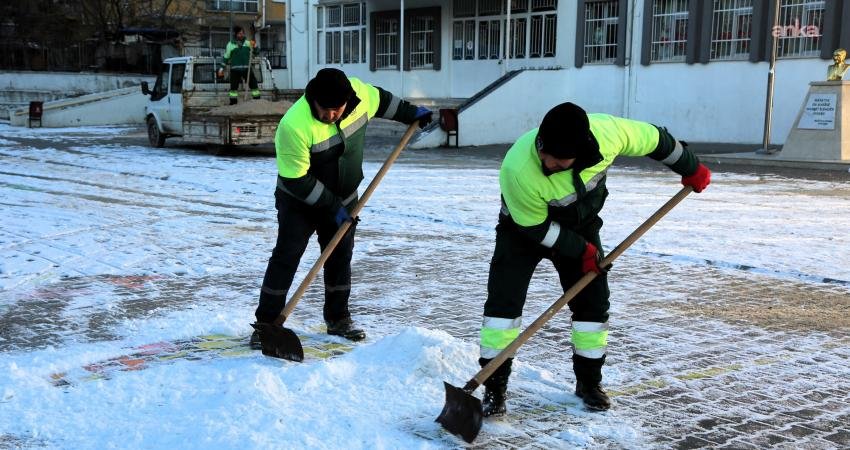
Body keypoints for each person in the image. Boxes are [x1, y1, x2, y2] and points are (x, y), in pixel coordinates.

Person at [477, 102, 711, 416]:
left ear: (581, 151)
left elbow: (656, 140)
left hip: (580, 226)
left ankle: (588, 383)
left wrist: (691, 167)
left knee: (593, 305)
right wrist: (585, 252)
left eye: (558, 160)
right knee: (502, 310)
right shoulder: (517, 168)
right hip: (522, 231)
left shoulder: (609, 133)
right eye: (543, 152)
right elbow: (537, 228)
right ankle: (494, 389)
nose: (547, 163)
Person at [252, 68, 433, 344]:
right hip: (299, 201)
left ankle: (338, 319)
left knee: (339, 257)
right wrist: (331, 207)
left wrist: (412, 113)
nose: (331, 115)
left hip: (344, 196)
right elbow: (296, 178)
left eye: (337, 110)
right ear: (314, 100)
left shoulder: (360, 94)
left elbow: (384, 101)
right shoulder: (294, 124)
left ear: (348, 100)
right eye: (325, 109)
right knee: (287, 256)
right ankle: (265, 324)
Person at [217, 26, 260, 105]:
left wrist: (255, 46)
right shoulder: (230, 44)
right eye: (240, 33)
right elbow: (226, 57)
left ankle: (257, 101)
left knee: (254, 85)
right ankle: (233, 104)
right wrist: (221, 69)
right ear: (236, 34)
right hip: (235, 70)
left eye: (242, 33)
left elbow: (256, 52)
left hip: (247, 69)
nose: (242, 35)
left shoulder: (247, 43)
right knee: (233, 88)